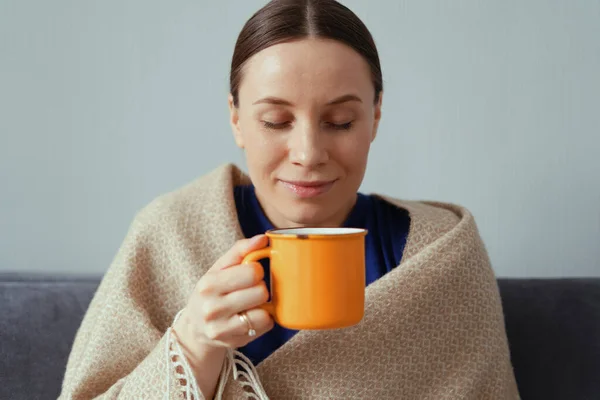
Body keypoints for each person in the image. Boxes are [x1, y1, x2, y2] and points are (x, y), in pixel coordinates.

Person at [59, 0, 519, 399]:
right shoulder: (168, 235)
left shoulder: (443, 256)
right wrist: (193, 344)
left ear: (375, 117)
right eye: (276, 121)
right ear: (236, 119)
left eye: (340, 122)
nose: (308, 155)